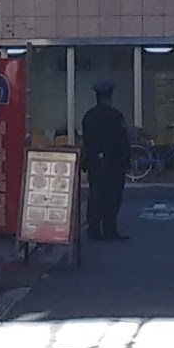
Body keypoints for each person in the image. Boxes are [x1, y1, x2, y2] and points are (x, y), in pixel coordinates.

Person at [76, 82, 133, 241]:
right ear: (110, 96)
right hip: (114, 162)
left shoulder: (89, 116)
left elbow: (86, 141)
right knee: (113, 196)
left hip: (95, 162)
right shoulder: (115, 115)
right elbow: (122, 140)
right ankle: (109, 229)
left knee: (95, 194)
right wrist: (126, 159)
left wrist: (87, 161)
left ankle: (93, 228)